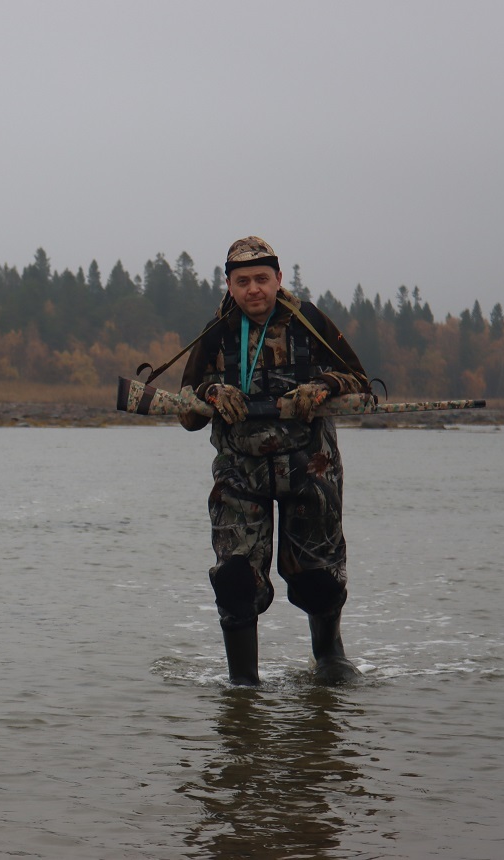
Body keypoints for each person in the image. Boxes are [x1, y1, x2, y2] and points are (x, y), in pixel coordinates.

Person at [179, 237, 371, 686]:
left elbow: (361, 381)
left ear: (278, 279)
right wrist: (212, 393)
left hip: (310, 466)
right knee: (234, 579)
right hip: (239, 473)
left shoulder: (311, 321)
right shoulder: (216, 331)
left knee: (317, 577)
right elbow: (186, 409)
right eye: (242, 281)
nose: (253, 290)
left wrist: (323, 385)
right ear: (228, 284)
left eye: (262, 279)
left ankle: (329, 657)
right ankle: (243, 685)